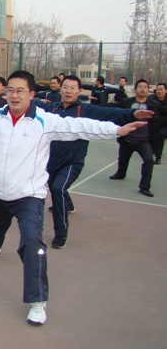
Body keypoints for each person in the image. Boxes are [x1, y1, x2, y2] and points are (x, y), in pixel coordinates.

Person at [0, 70, 144, 326]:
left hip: (29, 196)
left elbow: (81, 126)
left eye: (20, 90)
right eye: (10, 90)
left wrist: (118, 130)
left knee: (32, 243)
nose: (14, 95)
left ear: (32, 94)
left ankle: (38, 300)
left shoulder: (45, 121)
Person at [35, 75, 153, 249]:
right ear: (60, 89)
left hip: (72, 162)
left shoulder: (85, 110)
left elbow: (109, 113)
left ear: (79, 91)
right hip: (51, 161)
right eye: (65, 87)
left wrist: (132, 113)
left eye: (73, 88)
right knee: (56, 187)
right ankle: (69, 204)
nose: (68, 91)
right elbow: (34, 107)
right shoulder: (52, 109)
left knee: (57, 188)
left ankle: (61, 234)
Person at [106, 79, 159, 197]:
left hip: (143, 140)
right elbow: (113, 108)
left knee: (149, 160)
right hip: (127, 138)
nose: (142, 89)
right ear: (135, 90)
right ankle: (120, 173)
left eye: (145, 87)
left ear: (148, 90)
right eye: (140, 86)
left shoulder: (153, 105)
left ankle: (144, 187)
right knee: (123, 159)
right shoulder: (126, 102)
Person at [150, 82, 167, 164]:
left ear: (166, 91)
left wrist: (160, 108)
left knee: (160, 135)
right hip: (154, 124)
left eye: (161, 89)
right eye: (157, 90)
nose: (158, 91)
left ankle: (158, 157)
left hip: (165, 125)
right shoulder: (152, 99)